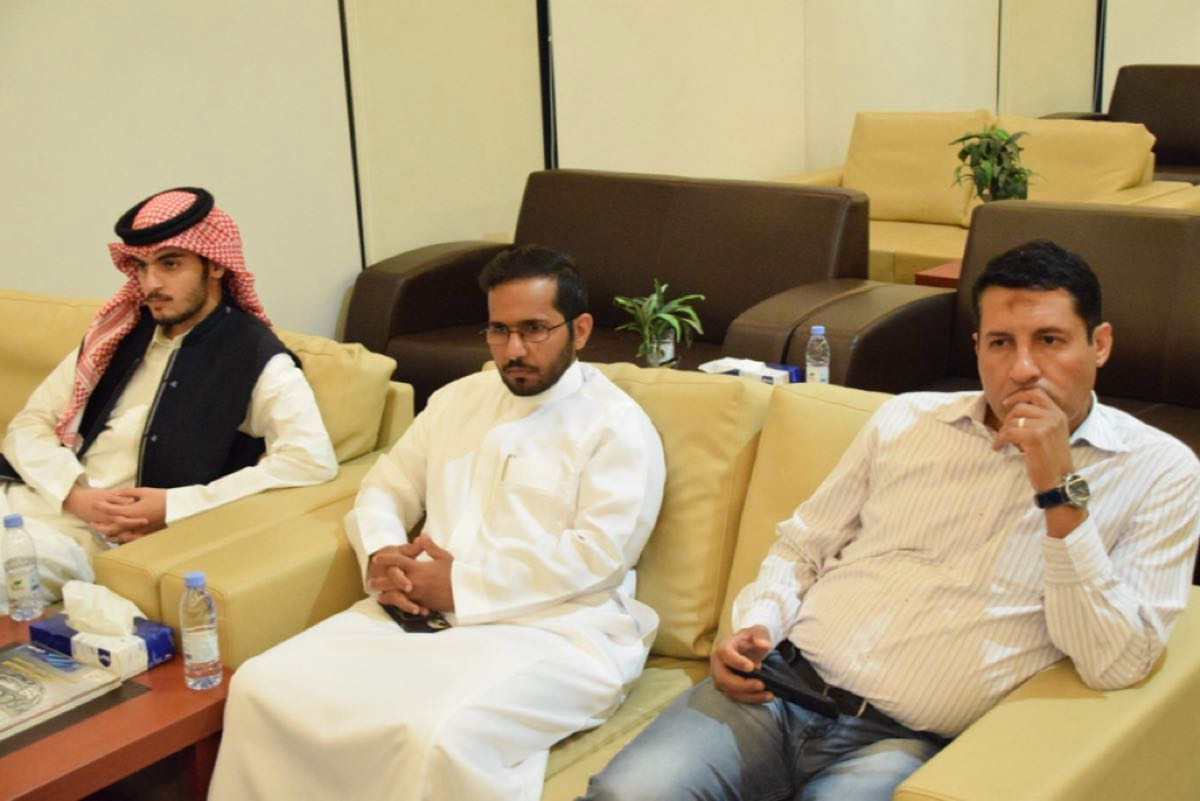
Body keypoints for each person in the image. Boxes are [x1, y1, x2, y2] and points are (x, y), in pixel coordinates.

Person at [582, 239, 1200, 801]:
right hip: (776, 690)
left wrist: (1059, 495)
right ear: (977, 347)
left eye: (1050, 340)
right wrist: (755, 626)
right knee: (623, 796)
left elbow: (1116, 663)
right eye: (1000, 343)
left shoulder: (1161, 471)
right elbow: (803, 547)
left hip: (905, 742)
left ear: (1100, 344)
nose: (1022, 369)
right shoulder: (906, 421)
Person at [210, 244, 667, 800]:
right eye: (499, 330)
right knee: (263, 685)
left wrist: (464, 586)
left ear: (581, 330)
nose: (514, 350)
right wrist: (383, 554)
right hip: (424, 612)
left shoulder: (615, 425)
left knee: (435, 735)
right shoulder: (456, 400)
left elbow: (599, 557)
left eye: (534, 330)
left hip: (562, 630)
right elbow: (386, 487)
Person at [0, 187, 338, 607]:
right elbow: (30, 423)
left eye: (170, 264)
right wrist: (73, 493)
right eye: (141, 267)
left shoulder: (254, 356)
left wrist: (174, 506)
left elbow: (310, 459)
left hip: (79, 540)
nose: (151, 284)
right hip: (30, 499)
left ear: (215, 264)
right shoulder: (119, 332)